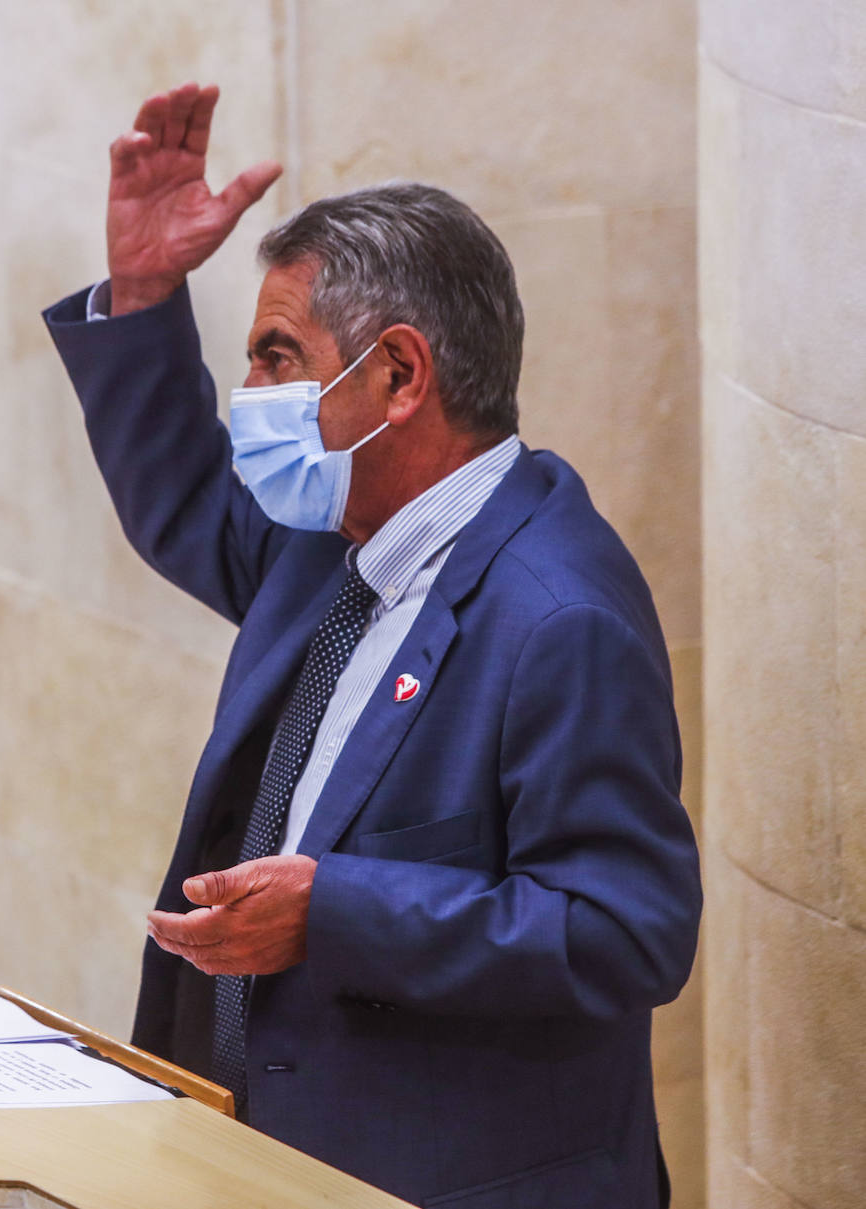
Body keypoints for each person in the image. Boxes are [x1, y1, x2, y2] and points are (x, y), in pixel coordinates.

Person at [43, 82, 701, 1209]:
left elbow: (625, 931)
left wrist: (335, 913)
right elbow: (189, 503)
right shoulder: (330, 539)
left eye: (277, 358)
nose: (251, 395)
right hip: (246, 1155)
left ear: (398, 375)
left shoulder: (558, 616)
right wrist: (147, 292)